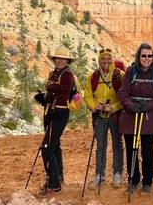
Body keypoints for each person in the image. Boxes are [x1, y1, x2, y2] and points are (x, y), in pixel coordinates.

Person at [118, 43, 153, 194]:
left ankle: (147, 181)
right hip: (131, 116)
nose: (146, 59)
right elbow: (122, 93)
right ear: (139, 56)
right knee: (132, 149)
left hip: (148, 117)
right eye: (143, 55)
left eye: (149, 56)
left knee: (147, 151)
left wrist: (147, 105)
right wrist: (131, 105)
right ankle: (133, 180)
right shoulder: (131, 71)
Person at [37, 46, 76, 196]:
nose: (59, 60)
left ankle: (54, 184)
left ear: (67, 61)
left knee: (47, 148)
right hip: (50, 112)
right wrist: (47, 96)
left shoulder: (67, 75)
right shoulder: (53, 73)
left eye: (62, 58)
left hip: (59, 113)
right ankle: (58, 177)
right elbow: (52, 91)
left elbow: (63, 95)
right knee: (55, 146)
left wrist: (47, 96)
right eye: (57, 58)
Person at [84, 48, 125, 189]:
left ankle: (117, 174)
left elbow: (125, 95)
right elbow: (88, 95)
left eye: (108, 58)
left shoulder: (120, 75)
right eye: (103, 58)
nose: (105, 61)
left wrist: (114, 107)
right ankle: (99, 175)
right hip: (99, 114)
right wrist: (95, 106)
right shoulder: (92, 77)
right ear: (99, 60)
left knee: (117, 143)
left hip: (115, 114)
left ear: (112, 60)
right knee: (101, 144)